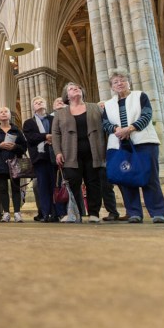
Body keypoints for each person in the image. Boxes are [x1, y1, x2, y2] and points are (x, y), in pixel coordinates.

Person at [102, 69, 164, 224]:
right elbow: (105, 123)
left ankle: (157, 212)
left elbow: (146, 115)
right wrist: (117, 130)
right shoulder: (108, 104)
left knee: (150, 177)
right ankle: (134, 213)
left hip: (143, 142)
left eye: (122, 80)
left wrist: (130, 129)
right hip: (118, 144)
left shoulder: (140, 96)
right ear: (112, 87)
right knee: (126, 178)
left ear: (129, 82)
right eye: (116, 82)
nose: (119, 83)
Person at [52, 83, 106, 223]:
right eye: (71, 88)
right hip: (70, 153)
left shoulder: (95, 107)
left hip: (93, 151)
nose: (75, 89)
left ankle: (94, 213)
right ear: (67, 96)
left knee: (93, 182)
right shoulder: (60, 113)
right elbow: (56, 134)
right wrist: (58, 152)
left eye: (77, 87)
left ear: (82, 91)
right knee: (73, 183)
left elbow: (105, 126)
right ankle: (75, 213)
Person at [0, 106, 27, 222]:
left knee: (16, 188)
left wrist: (15, 147)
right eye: (1, 112)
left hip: (14, 163)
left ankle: (17, 213)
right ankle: (6, 213)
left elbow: (24, 147)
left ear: (9, 115)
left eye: (6, 112)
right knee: (3, 189)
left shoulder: (16, 130)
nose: (3, 114)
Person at [23, 96, 59, 223]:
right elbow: (31, 137)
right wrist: (46, 136)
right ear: (33, 107)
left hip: (54, 156)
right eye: (36, 103)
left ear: (45, 104)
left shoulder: (53, 119)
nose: (39, 104)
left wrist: (51, 138)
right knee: (43, 186)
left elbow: (59, 133)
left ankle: (57, 213)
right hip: (40, 158)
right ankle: (46, 213)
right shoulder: (29, 123)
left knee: (55, 185)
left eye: (41, 102)